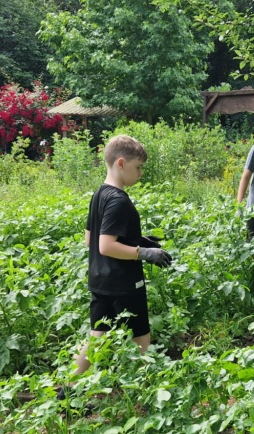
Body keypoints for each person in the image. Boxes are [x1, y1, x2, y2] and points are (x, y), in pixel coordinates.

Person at [60, 134, 171, 400]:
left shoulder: (100, 193)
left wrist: (137, 240)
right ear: (121, 163)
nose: (141, 173)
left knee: (97, 336)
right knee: (141, 338)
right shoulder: (119, 200)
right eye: (138, 167)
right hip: (125, 284)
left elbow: (91, 238)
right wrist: (144, 252)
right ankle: (139, 395)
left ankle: (68, 389)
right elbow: (105, 246)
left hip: (100, 280)